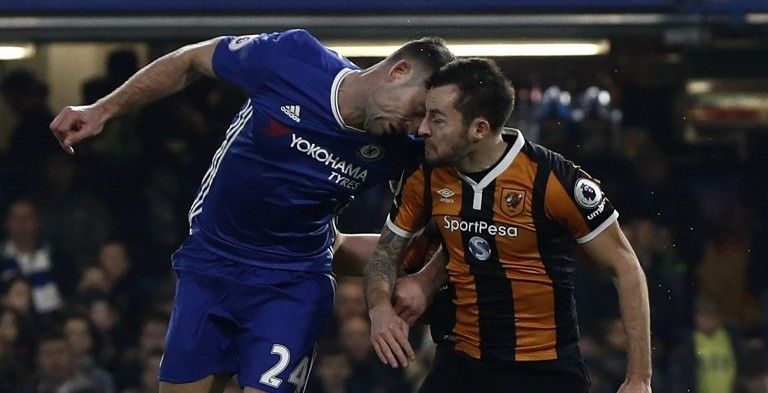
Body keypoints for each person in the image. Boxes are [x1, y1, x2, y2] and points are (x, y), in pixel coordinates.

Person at [50, 29, 455, 393]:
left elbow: (457, 215)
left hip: (293, 283)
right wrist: (102, 110)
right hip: (213, 261)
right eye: (420, 110)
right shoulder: (293, 57)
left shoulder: (407, 148)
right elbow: (192, 58)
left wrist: (424, 281)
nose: (419, 127)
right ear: (399, 71)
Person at [364, 58, 652, 393]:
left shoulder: (552, 179)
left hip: (544, 372)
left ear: (479, 129)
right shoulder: (426, 175)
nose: (423, 128)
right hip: (462, 364)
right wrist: (379, 309)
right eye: (426, 114)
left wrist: (639, 377)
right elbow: (385, 252)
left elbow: (626, 267)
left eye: (437, 118)